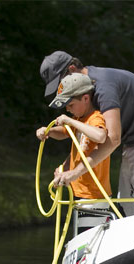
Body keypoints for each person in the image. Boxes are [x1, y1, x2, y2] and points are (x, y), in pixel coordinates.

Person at [39, 51, 134, 215]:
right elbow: (83, 141)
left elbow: (112, 139)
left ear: (72, 69)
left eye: (60, 82)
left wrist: (74, 173)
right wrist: (66, 167)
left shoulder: (102, 88)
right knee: (128, 208)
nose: (60, 90)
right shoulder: (86, 90)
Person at [36, 72, 112, 233]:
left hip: (94, 197)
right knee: (80, 236)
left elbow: (100, 136)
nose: (68, 110)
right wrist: (48, 131)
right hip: (79, 194)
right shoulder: (79, 120)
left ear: (85, 99)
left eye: (71, 105)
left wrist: (70, 120)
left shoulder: (95, 118)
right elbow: (63, 132)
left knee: (90, 239)